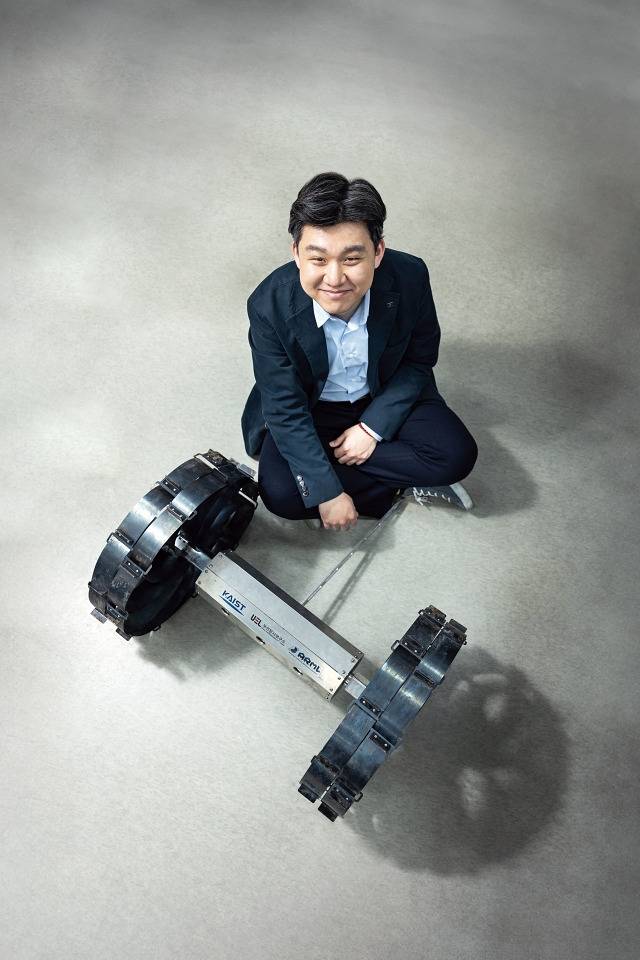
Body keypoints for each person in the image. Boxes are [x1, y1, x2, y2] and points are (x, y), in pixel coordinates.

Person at [240, 172, 478, 531]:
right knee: (280, 493)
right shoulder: (267, 305)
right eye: (318, 259)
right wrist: (328, 493)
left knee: (456, 455)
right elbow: (284, 405)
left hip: (383, 391)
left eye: (351, 259)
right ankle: (400, 481)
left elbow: (419, 360)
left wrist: (372, 429)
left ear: (378, 252)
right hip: (313, 405)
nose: (334, 279)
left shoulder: (410, 276)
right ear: (296, 254)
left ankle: (354, 470)